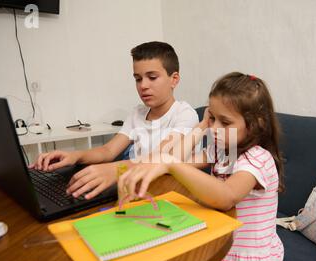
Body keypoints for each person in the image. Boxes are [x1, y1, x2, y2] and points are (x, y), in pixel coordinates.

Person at [118, 72, 286, 261]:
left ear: (255, 125)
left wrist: (171, 163)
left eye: (225, 122)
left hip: (245, 256)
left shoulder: (257, 159)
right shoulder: (222, 149)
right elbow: (177, 159)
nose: (215, 128)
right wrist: (201, 126)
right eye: (213, 118)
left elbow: (226, 196)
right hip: (220, 241)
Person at [29, 41, 199, 200]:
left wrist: (116, 169)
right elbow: (109, 150)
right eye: (138, 79)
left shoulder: (184, 114)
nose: (143, 86)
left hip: (173, 191)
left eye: (152, 77)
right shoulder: (137, 113)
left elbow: (161, 157)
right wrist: (75, 156)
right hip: (138, 187)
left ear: (174, 79)